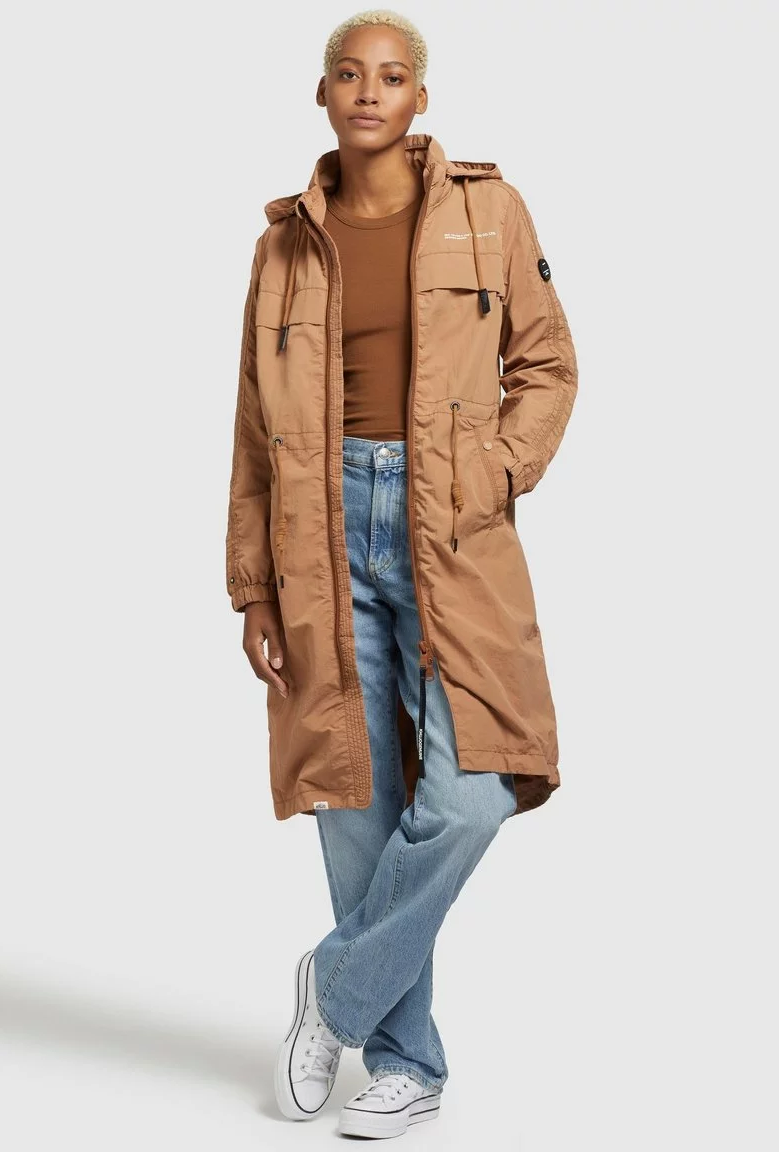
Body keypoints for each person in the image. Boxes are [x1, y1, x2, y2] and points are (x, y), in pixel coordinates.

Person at [225, 8, 578, 1139]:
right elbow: (253, 428)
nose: (369, 91)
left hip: (450, 531)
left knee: (475, 791)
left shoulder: (488, 210)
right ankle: (406, 1064)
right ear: (322, 94)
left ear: (420, 98)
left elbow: (548, 364)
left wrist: (494, 471)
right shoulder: (284, 246)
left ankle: (331, 990)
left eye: (391, 76)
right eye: (348, 73)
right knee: (355, 802)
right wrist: (253, 585)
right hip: (317, 533)